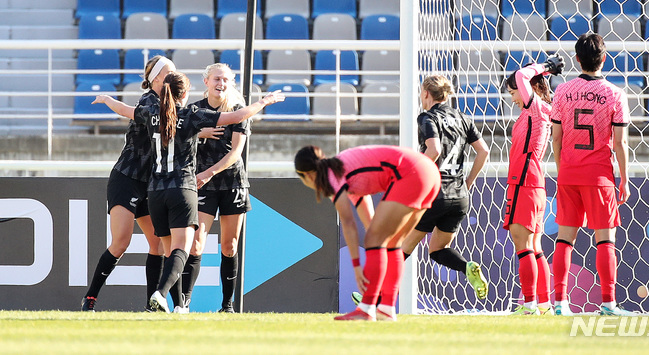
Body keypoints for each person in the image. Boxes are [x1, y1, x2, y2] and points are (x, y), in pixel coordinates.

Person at [92, 71, 284, 312]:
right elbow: (237, 115)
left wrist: (107, 99)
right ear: (185, 93)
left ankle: (180, 305)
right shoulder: (193, 115)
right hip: (182, 188)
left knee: (168, 249)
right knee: (181, 249)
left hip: (155, 191)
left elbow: (124, 110)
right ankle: (162, 295)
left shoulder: (153, 114)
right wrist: (264, 102)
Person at [295, 145, 441, 321]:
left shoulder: (331, 175)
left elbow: (348, 223)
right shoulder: (351, 177)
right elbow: (370, 225)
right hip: (430, 173)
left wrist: (357, 266)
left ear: (308, 175)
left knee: (376, 240)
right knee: (391, 243)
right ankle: (386, 309)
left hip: (411, 173)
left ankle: (366, 308)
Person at [81, 56, 175, 312]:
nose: (173, 76)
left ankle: (151, 305)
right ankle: (90, 298)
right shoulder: (149, 102)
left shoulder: (170, 103)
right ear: (155, 78)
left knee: (157, 244)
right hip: (126, 178)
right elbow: (165, 126)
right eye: (169, 72)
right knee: (121, 242)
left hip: (149, 183)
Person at [550, 33, 631, 316]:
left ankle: (560, 303)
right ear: (604, 59)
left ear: (577, 59)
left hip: (569, 173)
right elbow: (620, 143)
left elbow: (556, 138)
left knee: (564, 239)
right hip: (600, 177)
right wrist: (625, 179)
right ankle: (608, 304)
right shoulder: (616, 94)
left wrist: (563, 171)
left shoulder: (561, 91)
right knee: (605, 240)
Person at [400, 75, 490, 300]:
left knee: (401, 247)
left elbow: (434, 150)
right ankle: (467, 267)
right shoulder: (462, 117)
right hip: (459, 196)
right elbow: (484, 151)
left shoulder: (427, 117)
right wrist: (467, 183)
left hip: (435, 193)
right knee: (438, 250)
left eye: (422, 92)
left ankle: (372, 296)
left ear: (427, 94)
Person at [176, 63, 252, 313]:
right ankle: (184, 303)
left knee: (229, 245)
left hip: (231, 183)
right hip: (202, 184)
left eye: (226, 80)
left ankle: (227, 306)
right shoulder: (193, 110)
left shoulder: (238, 111)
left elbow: (236, 153)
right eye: (217, 79)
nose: (221, 83)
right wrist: (199, 134)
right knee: (196, 242)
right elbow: (175, 140)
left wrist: (209, 172)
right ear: (206, 81)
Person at [502, 56, 564, 315]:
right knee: (535, 246)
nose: (514, 98)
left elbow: (520, 75)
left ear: (532, 87)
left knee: (523, 243)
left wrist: (545, 67)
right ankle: (542, 304)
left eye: (513, 93)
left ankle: (528, 305)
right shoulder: (540, 110)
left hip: (524, 181)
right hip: (533, 181)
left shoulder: (536, 108)